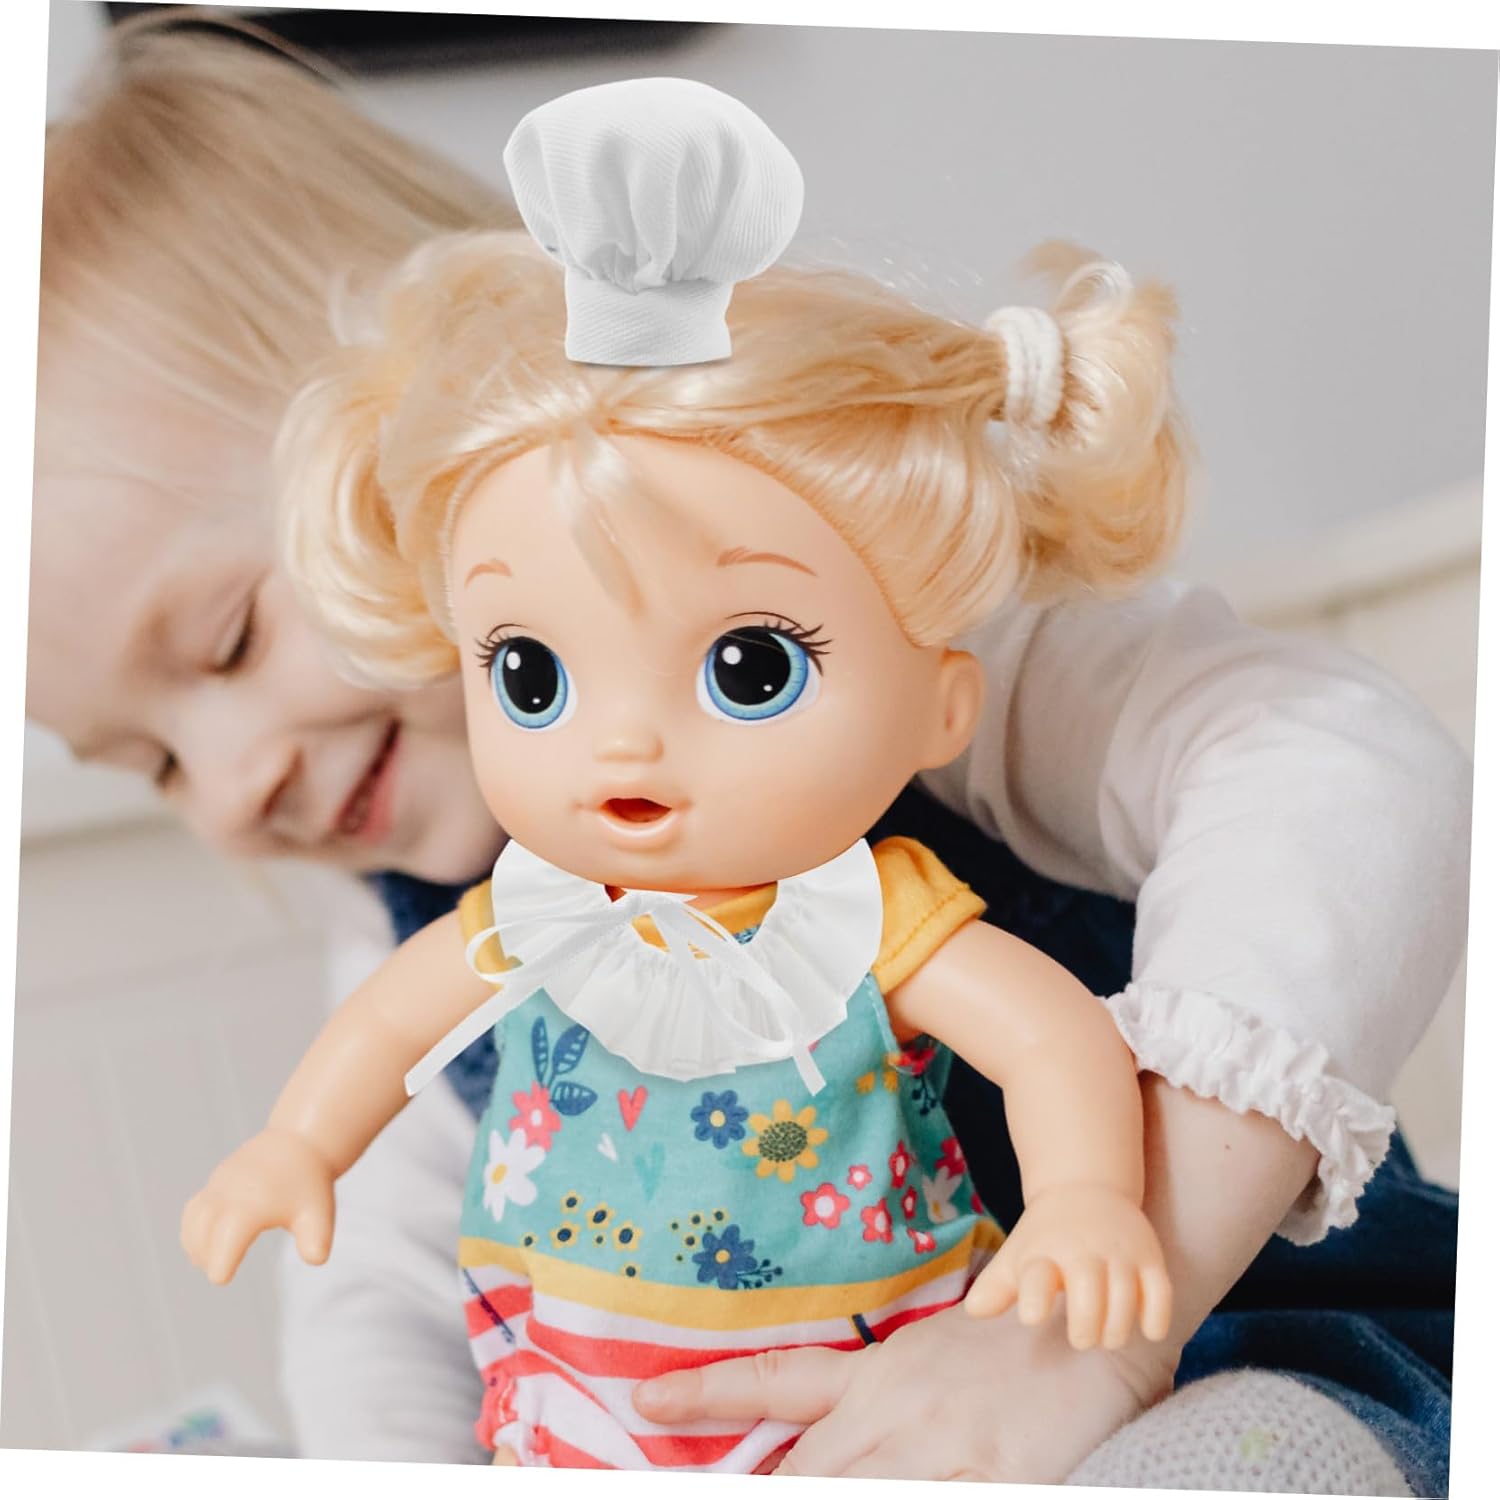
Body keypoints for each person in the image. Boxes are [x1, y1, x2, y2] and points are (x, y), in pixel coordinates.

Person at [29, 19, 1468, 1494]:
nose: (230, 785)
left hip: (1258, 1351)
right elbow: (374, 1301)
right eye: (150, 764)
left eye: (226, 643)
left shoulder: (891, 627)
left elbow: (1333, 767)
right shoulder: (450, 924)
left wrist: (1089, 1328)